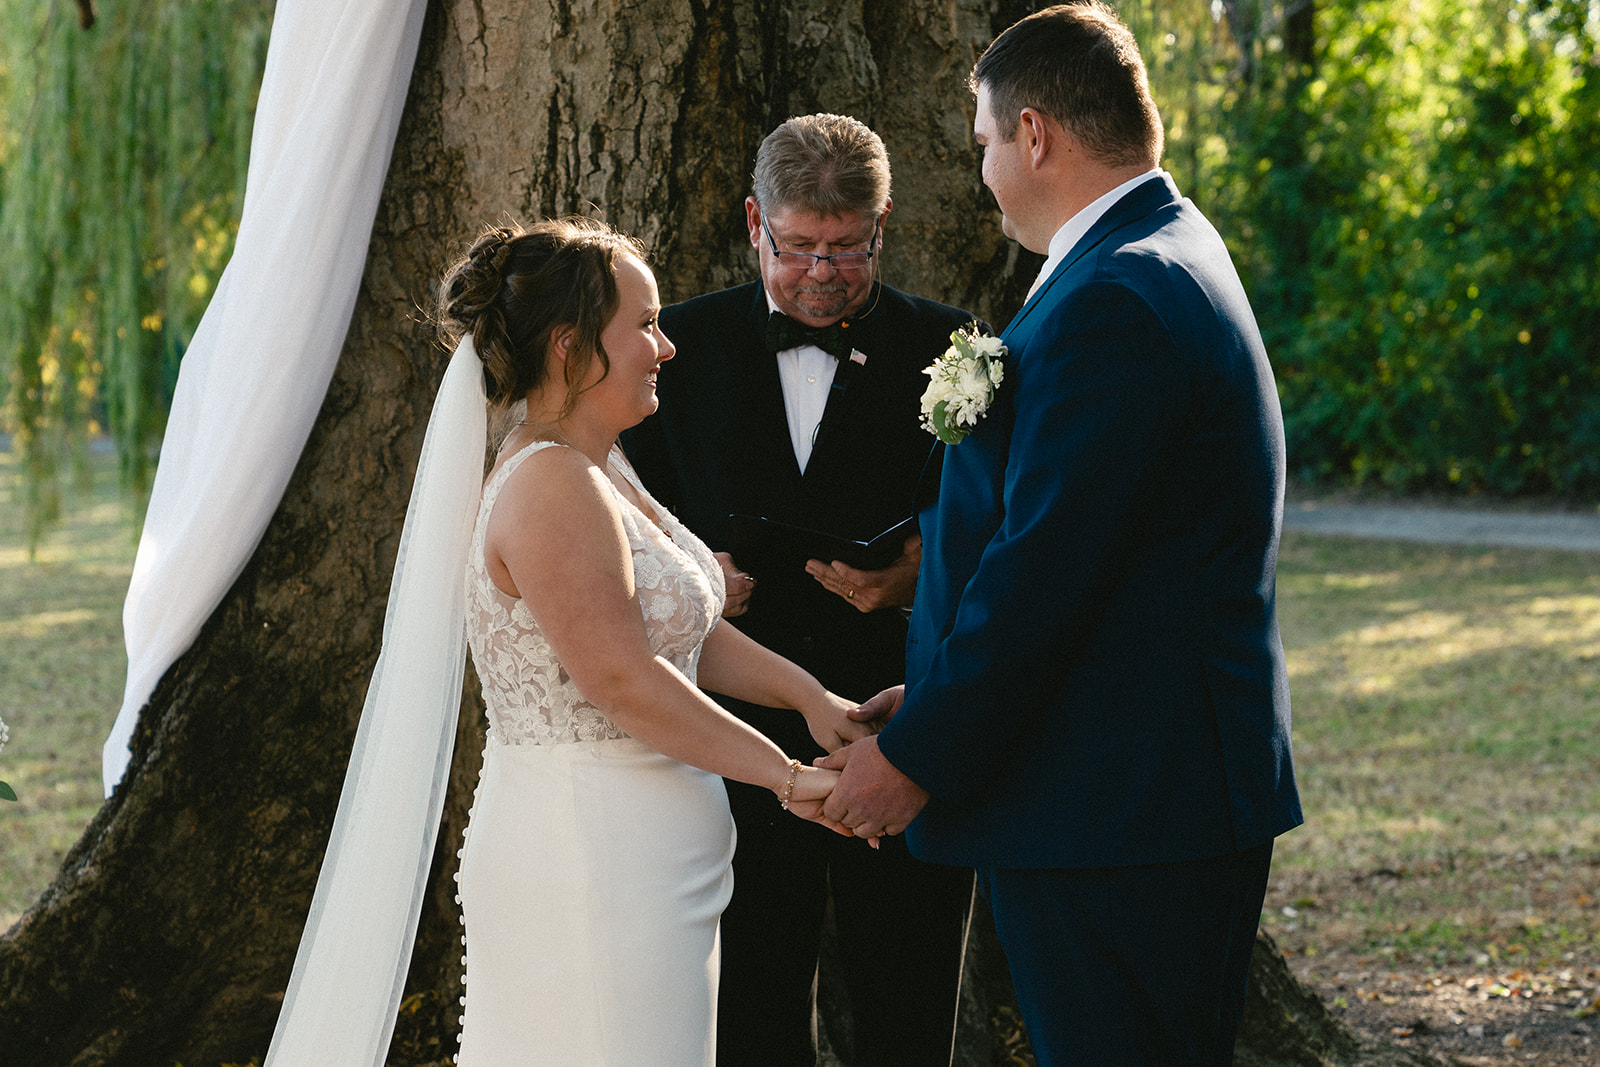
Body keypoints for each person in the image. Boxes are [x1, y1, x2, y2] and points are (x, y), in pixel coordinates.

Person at [817, 6, 1304, 1065]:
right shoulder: (1158, 249)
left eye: (986, 139)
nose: (984, 166)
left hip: (1122, 812)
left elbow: (1049, 571)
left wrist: (917, 755)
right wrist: (935, 673)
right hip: (1121, 790)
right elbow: (1107, 547)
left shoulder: (1116, 296)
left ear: (1034, 134)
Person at [442, 218, 885, 1065]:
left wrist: (807, 697)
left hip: (645, 869)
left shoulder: (597, 465)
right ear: (570, 348)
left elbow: (676, 633)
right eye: (644, 325)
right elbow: (623, 678)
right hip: (591, 862)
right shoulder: (551, 486)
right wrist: (785, 777)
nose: (667, 346)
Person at [622, 114, 978, 1066]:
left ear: (882, 225)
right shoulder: (675, 352)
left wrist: (916, 575)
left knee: (907, 1003)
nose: (823, 273)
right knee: (747, 1010)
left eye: (847, 249)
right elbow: (619, 514)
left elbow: (1003, 529)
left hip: (896, 730)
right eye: (801, 249)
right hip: (728, 737)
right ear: (754, 225)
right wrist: (697, 573)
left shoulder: (955, 350)